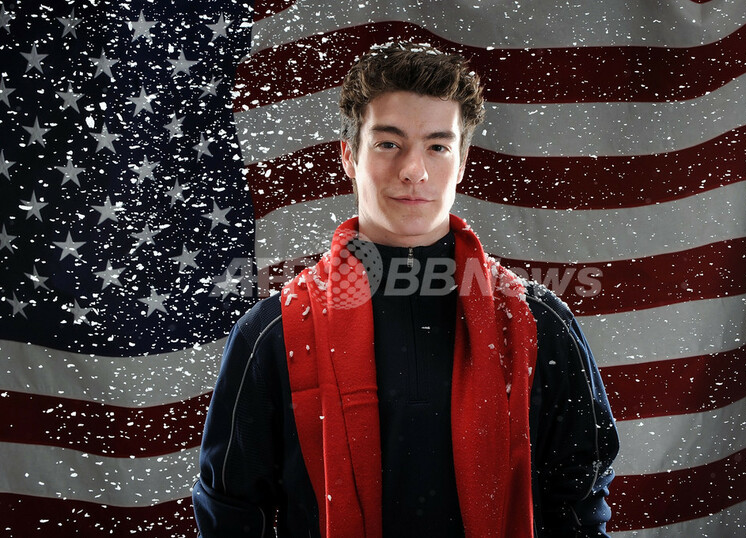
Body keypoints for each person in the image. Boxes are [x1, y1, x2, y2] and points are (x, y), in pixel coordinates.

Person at [192, 41, 619, 537]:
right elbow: (231, 510)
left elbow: (579, 501)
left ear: (461, 162)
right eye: (388, 144)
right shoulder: (273, 331)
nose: (414, 170)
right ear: (349, 156)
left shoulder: (540, 321)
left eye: (438, 147)